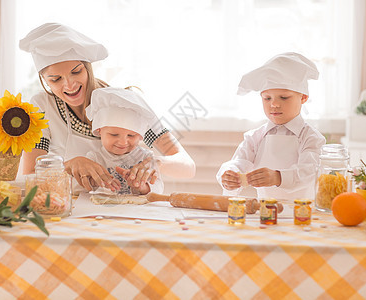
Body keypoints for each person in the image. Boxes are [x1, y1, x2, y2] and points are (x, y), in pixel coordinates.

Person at [19, 23, 195, 191]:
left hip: (119, 209)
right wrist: (68, 166)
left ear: (88, 67)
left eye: (76, 71)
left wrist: (157, 162)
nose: (70, 85)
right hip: (68, 209)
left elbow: (187, 166)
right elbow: (29, 177)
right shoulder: (41, 108)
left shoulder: (124, 105)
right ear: (44, 80)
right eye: (55, 79)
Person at [216, 52, 326, 200]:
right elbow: (239, 162)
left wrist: (278, 177)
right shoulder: (255, 137)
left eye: (284, 97)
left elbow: (309, 171)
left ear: (303, 97)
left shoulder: (311, 138)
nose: (274, 104)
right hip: (265, 213)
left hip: (301, 214)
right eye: (267, 98)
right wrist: (230, 174)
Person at [83, 87, 163, 195]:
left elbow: (158, 187)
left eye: (131, 135)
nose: (123, 142)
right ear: (99, 130)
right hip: (104, 210)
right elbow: (83, 186)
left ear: (140, 135)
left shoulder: (146, 158)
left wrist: (143, 186)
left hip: (136, 211)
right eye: (114, 134)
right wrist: (96, 181)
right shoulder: (94, 158)